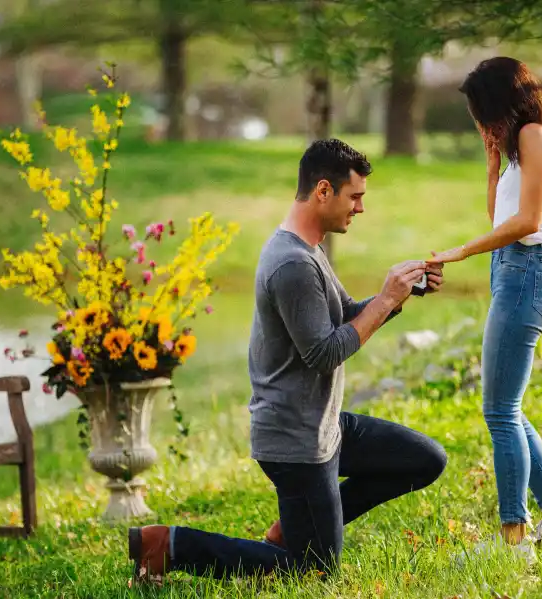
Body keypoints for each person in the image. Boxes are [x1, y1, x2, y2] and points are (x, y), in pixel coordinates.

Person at [128, 139, 448, 583]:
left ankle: (308, 523)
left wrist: (397, 296)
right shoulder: (293, 263)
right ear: (322, 191)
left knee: (424, 459)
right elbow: (323, 353)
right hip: (296, 443)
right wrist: (387, 297)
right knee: (313, 572)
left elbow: (346, 316)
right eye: (354, 197)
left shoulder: (307, 250)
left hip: (323, 426)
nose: (360, 208)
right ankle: (169, 544)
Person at [428, 57, 542, 557]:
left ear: (499, 101)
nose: (480, 121)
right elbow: (501, 213)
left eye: (480, 111)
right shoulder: (520, 144)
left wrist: (461, 250)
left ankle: (513, 540)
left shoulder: (538, 135)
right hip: (512, 273)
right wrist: (492, 162)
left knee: (499, 411)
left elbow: (528, 222)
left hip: (527, 273)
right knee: (509, 410)